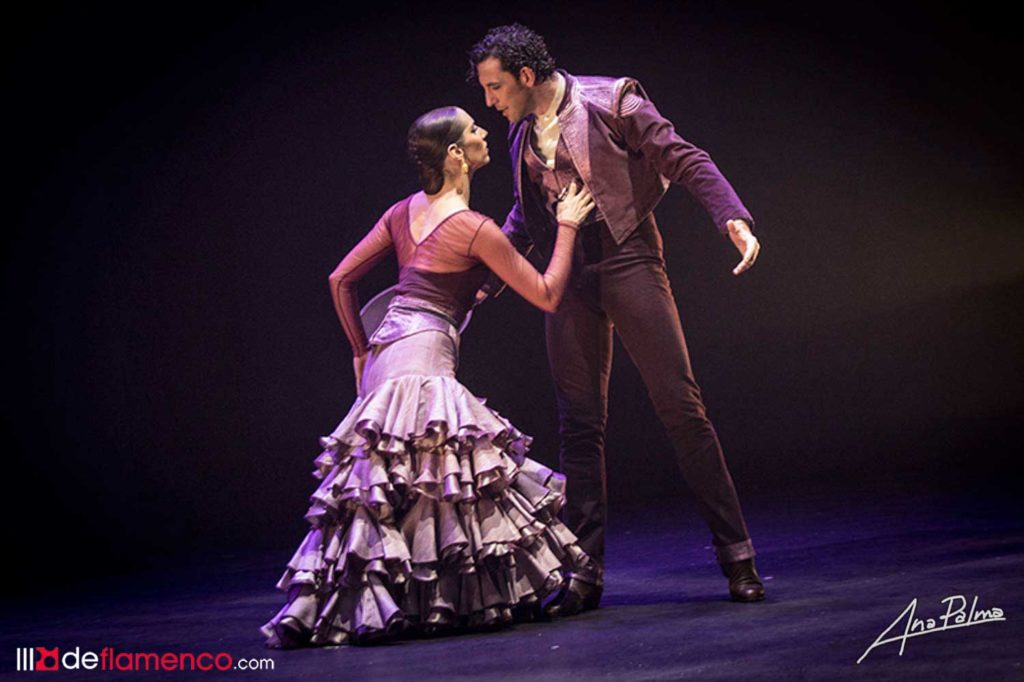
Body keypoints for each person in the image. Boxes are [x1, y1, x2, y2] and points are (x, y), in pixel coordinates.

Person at [260, 105, 597, 648]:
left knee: (388, 482)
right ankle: (440, 602)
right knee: (444, 476)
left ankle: (390, 606)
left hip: (386, 353)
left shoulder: (403, 212)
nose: (487, 131)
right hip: (423, 360)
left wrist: (356, 353)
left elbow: (341, 278)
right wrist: (567, 225)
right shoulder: (473, 228)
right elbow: (548, 293)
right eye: (473, 130)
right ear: (457, 155)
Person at [467, 23, 766, 614]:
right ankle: (584, 575)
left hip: (628, 255)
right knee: (578, 424)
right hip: (569, 271)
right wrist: (483, 279)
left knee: (681, 407)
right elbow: (527, 219)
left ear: (527, 77)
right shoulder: (520, 133)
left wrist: (730, 217)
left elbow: (683, 157)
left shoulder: (614, 99)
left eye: (496, 87)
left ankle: (738, 557)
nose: (490, 101)